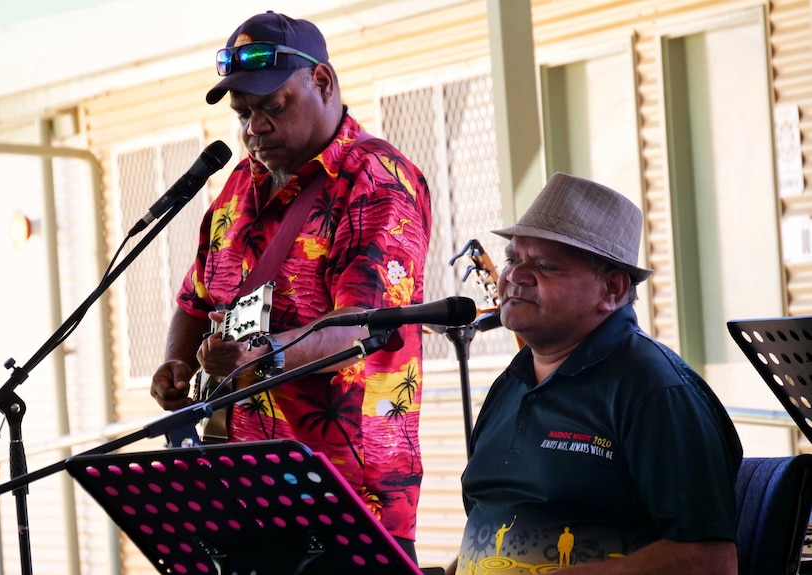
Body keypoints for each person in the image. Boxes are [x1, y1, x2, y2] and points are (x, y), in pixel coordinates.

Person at [149, 11, 432, 561]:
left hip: (348, 502)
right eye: (244, 114)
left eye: (271, 107)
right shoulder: (238, 187)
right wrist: (177, 364)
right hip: (239, 487)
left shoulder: (378, 182)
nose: (254, 127)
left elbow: (362, 329)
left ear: (322, 82)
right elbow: (195, 300)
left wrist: (266, 353)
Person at [446, 173, 742, 574]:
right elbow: (495, 522)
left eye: (545, 266)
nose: (515, 276)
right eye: (514, 258)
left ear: (612, 290)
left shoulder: (654, 389)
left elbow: (712, 562)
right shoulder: (509, 386)